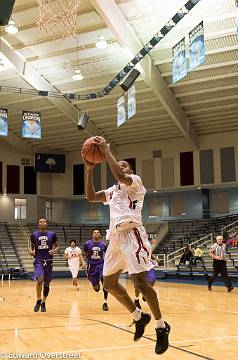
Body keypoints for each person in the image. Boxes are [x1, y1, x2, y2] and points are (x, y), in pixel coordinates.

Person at [82, 136, 170, 355]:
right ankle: (139, 316)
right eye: (118, 163)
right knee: (109, 284)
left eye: (125, 164)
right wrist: (90, 168)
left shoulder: (135, 182)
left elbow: (120, 174)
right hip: (115, 239)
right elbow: (91, 196)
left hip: (132, 234)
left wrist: (107, 150)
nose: (121, 166)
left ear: (130, 170)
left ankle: (161, 327)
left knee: (139, 282)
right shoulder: (111, 191)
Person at [29, 218, 59, 312]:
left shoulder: (52, 234)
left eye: (44, 221)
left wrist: (54, 250)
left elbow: (58, 246)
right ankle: (38, 300)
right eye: (40, 221)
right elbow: (31, 245)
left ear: (46, 224)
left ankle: (44, 302)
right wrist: (31, 250)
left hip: (49, 261)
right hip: (38, 260)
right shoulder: (34, 234)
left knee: (46, 283)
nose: (42, 223)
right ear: (38, 224)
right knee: (40, 279)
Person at [82, 228, 109, 311]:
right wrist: (83, 261)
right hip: (91, 266)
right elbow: (83, 252)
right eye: (95, 232)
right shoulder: (87, 244)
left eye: (98, 232)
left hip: (101, 265)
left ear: (100, 235)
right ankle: (95, 283)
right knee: (96, 289)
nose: (96, 233)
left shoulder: (103, 244)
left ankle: (105, 302)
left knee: (105, 281)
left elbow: (108, 254)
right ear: (92, 235)